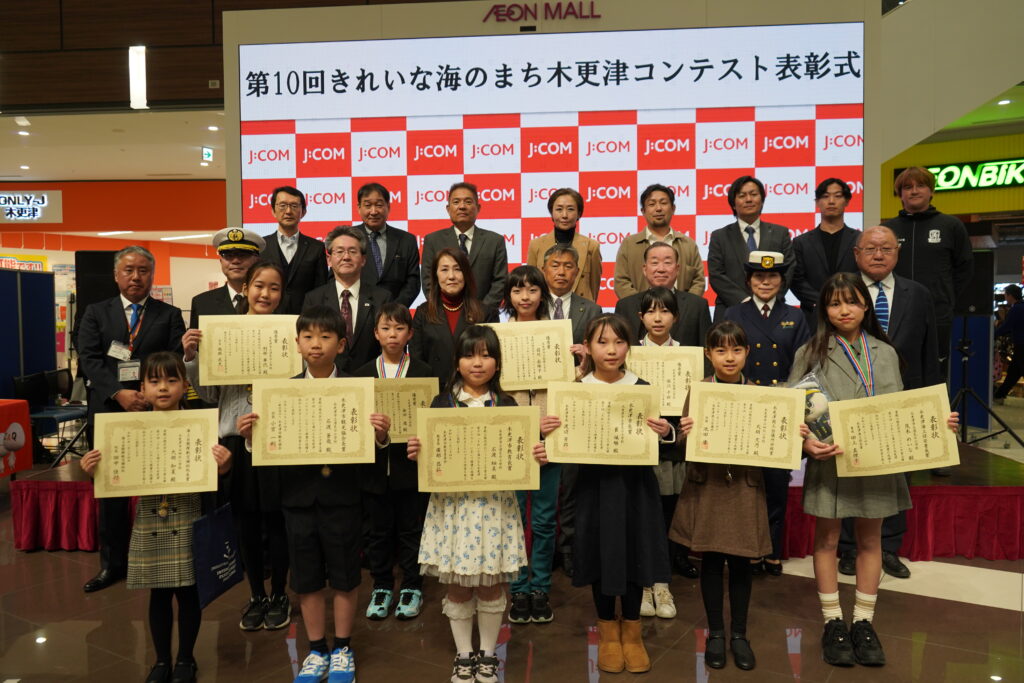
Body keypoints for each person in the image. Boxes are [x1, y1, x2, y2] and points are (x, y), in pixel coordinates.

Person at [789, 273, 959, 668]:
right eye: (834, 303)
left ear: (866, 306)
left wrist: (937, 424)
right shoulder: (809, 352)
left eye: (852, 301)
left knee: (871, 541)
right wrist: (806, 444)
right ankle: (833, 622)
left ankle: (864, 622)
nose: (844, 310)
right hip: (830, 461)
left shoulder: (885, 352)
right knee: (827, 541)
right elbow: (793, 413)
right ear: (824, 309)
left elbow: (901, 410)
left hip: (878, 462)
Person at [237, 305, 391, 683]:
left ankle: (343, 648)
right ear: (297, 343)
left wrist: (381, 435)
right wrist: (251, 437)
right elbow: (269, 449)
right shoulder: (281, 392)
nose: (316, 344)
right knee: (305, 578)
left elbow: (372, 448)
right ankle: (317, 650)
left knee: (345, 576)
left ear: (342, 344)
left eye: (325, 337)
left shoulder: (358, 387)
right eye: (308, 337)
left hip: (343, 496)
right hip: (298, 498)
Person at [80, 352, 232, 683]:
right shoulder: (126, 429)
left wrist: (224, 467)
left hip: (189, 515)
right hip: (150, 519)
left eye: (171, 380)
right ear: (143, 389)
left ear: (185, 385)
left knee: (188, 593)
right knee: (158, 594)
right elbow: (114, 476)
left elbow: (217, 478)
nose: (163, 388)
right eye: (154, 381)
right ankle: (162, 661)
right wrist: (94, 471)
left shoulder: (201, 425)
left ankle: (186, 659)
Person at [407, 325, 544, 683]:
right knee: (458, 584)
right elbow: (431, 457)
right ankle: (464, 655)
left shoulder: (508, 405)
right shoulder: (441, 404)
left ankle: (488, 654)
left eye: (486, 355)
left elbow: (521, 455)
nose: (477, 363)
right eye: (469, 355)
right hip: (453, 508)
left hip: (495, 507)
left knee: (491, 584)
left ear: (498, 362)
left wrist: (535, 454)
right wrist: (419, 452)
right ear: (457, 362)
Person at [541, 314, 674, 674]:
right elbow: (560, 446)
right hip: (592, 488)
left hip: (635, 488)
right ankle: (607, 631)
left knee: (635, 554)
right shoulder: (575, 390)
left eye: (619, 342)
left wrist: (665, 432)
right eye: (602, 342)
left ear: (629, 346)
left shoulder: (642, 388)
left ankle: (632, 631)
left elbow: (664, 444)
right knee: (598, 555)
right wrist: (547, 432)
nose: (611, 350)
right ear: (587, 347)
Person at [183, 261, 291, 632]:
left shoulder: (289, 333)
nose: (266, 294)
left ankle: (280, 593)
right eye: (259, 285)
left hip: (278, 439)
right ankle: (256, 594)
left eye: (274, 287)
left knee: (277, 519)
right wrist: (192, 358)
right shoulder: (221, 332)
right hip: (234, 437)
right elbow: (209, 393)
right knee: (246, 520)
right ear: (245, 288)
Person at [77, 246, 186, 593]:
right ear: (116, 274)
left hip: (156, 414)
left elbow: (174, 359)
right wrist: (118, 393)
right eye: (128, 270)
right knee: (112, 492)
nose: (136, 277)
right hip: (110, 413)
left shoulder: (169, 314)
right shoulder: (96, 312)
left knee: (160, 486)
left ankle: (161, 556)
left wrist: (151, 395)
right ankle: (112, 565)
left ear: (152, 275)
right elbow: (89, 359)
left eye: (143, 270)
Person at [837, 226, 942, 577]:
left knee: (898, 477)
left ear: (897, 252)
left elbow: (929, 352)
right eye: (870, 249)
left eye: (886, 248)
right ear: (857, 254)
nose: (878, 255)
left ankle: (889, 547)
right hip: (852, 399)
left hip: (904, 401)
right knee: (852, 473)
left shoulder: (919, 294)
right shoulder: (843, 292)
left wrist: (933, 403)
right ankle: (850, 547)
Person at [672, 320, 772, 671]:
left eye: (736, 350)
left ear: (747, 352)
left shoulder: (760, 393)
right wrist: (684, 434)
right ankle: (716, 632)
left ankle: (739, 634)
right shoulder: (699, 390)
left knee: (743, 563)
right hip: (709, 485)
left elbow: (771, 445)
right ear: (708, 354)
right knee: (712, 561)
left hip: (744, 485)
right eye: (721, 350)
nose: (729, 357)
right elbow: (682, 445)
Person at [722, 251, 810, 577]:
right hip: (743, 409)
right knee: (745, 484)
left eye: (772, 276)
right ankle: (746, 549)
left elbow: (803, 367)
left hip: (780, 410)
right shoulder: (733, 313)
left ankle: (772, 549)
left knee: (776, 483)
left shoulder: (795, 317)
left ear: (781, 281)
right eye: (759, 276)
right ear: (749, 280)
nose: (765, 282)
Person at [352, 303, 438, 621]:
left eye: (399, 328)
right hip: (374, 468)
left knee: (411, 529)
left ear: (410, 334)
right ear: (375, 334)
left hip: (410, 466)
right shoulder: (361, 375)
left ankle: (412, 585)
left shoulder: (424, 373)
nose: (392, 334)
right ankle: (382, 585)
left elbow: (433, 423)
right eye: (386, 328)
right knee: (377, 531)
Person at [539, 243, 603, 577]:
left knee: (572, 480)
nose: (561, 272)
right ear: (544, 269)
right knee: (544, 481)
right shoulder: (531, 305)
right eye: (555, 265)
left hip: (579, 403)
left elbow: (604, 353)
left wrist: (588, 355)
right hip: (540, 402)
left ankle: (568, 547)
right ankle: (545, 547)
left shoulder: (591, 309)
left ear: (577, 273)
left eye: (568, 266)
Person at [501, 266, 560, 625]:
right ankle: (518, 589)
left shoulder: (557, 335)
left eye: (532, 290)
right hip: (510, 439)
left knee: (544, 520)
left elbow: (571, 390)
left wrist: (580, 361)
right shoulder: (498, 336)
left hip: (550, 439)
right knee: (514, 519)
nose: (525, 297)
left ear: (542, 294)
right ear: (508, 296)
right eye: (518, 290)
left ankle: (540, 588)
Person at [631, 287, 693, 621]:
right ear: (640, 317)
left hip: (672, 451)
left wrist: (675, 430)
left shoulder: (687, 357)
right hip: (638, 452)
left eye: (665, 311)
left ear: (675, 317)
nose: (658, 318)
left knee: (668, 517)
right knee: (641, 518)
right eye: (651, 311)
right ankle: (643, 583)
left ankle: (662, 583)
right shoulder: (628, 355)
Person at [882, 166, 974, 378]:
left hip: (937, 313)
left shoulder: (951, 225)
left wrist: (946, 297)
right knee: (894, 371)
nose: (914, 191)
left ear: (931, 191)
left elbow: (965, 268)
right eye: (907, 187)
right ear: (900, 194)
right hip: (895, 314)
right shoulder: (888, 229)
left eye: (921, 185)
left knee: (935, 372)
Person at [303, 225, 393, 372]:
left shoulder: (382, 298)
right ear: (329, 260)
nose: (346, 257)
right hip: (327, 379)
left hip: (371, 379)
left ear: (363, 259)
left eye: (352, 251)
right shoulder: (314, 299)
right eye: (339, 252)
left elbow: (389, 345)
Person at [410, 247, 498, 389]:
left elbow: (492, 358)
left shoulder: (486, 313)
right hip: (434, 390)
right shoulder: (423, 313)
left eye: (458, 269)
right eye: (444, 270)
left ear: (466, 274)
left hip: (475, 390)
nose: (451, 276)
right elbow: (417, 360)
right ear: (436, 275)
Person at [707, 176, 794, 316]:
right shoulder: (720, 236)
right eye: (742, 195)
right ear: (733, 204)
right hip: (730, 311)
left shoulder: (780, 233)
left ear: (762, 200)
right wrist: (746, 302)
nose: (748, 199)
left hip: (773, 310)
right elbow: (716, 275)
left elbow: (789, 270)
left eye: (753, 194)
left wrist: (767, 301)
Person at [420, 182, 509, 310]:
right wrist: (446, 311)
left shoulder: (495, 241)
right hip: (444, 315)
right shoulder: (433, 240)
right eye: (456, 202)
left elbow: (500, 281)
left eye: (468, 202)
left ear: (478, 208)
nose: (462, 206)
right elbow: (428, 281)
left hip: (485, 315)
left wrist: (482, 311)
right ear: (448, 209)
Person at [791, 178, 861, 331]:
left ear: (847, 201)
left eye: (837, 196)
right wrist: (824, 302)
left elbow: (862, 275)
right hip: (813, 316)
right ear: (817, 202)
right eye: (825, 196)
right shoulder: (801, 242)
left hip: (851, 314)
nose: (831, 201)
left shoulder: (860, 239)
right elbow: (796, 280)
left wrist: (844, 301)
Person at [613, 184, 705, 299]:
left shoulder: (688, 244)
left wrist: (685, 305)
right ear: (643, 211)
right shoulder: (629, 244)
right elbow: (621, 282)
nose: (658, 208)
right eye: (652, 204)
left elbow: (698, 281)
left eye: (663, 203)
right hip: (640, 309)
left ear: (673, 208)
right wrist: (644, 306)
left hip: (682, 309)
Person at [614, 242, 711, 347]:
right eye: (654, 263)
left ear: (677, 269)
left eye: (667, 263)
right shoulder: (625, 306)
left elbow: (707, 349)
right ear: (645, 269)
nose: (661, 269)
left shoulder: (697, 305)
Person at [260, 185, 331, 314]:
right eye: (282, 205)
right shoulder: (261, 246)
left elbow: (321, 288)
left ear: (303, 212)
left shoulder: (316, 247)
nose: (288, 211)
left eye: (294, 206)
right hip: (268, 316)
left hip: (305, 317)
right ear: (273, 211)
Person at [525, 188, 602, 302]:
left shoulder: (591, 246)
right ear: (551, 213)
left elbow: (594, 287)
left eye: (570, 209)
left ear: (579, 213)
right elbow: (531, 284)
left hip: (580, 308)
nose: (564, 215)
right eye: (559, 209)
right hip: (545, 308)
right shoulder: (536, 245)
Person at [354, 182, 421, 308]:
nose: (373, 211)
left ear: (388, 207)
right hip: (357, 312)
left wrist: (394, 309)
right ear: (359, 208)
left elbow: (413, 282)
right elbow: (336, 278)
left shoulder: (407, 240)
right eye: (367, 205)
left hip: (395, 314)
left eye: (379, 205)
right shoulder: (347, 239)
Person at [188, 228, 265, 328]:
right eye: (228, 255)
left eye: (243, 255)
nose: (235, 261)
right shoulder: (202, 303)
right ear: (220, 260)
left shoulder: (270, 300)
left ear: (256, 260)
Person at [994, 284, 1024, 403]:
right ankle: (999, 395)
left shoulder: (1016, 309)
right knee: (1014, 372)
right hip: (1020, 345)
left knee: (1015, 371)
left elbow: (1007, 327)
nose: (1005, 298)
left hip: (1021, 345)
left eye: (1005, 295)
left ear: (1010, 296)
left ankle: (999, 395)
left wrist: (993, 334)